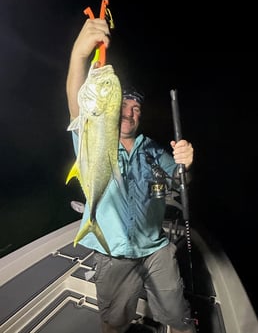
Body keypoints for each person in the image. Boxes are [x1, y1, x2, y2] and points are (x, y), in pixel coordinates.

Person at [66, 17, 196, 333]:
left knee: (180, 320)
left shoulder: (153, 149)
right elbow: (77, 101)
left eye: (136, 109)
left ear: (141, 115)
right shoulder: (93, 133)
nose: (129, 112)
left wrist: (186, 165)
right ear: (112, 106)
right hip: (113, 254)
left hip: (156, 250)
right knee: (113, 324)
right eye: (124, 105)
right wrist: (79, 56)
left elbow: (182, 182)